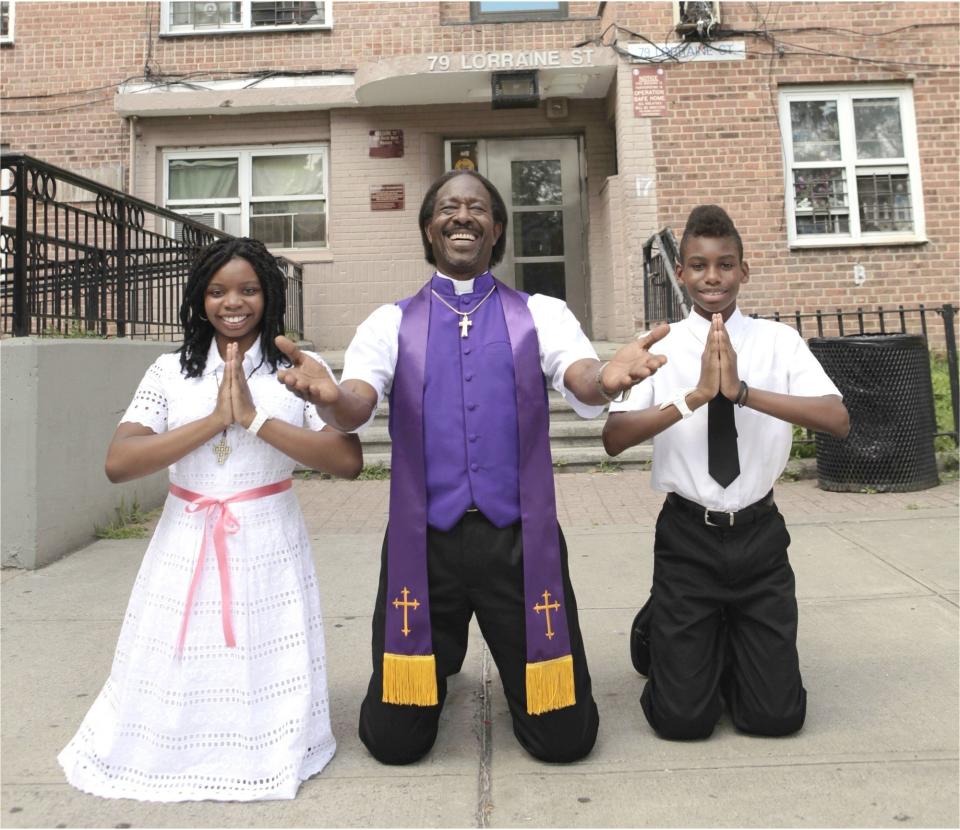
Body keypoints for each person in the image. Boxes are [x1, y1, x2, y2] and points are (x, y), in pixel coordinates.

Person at [274, 170, 668, 764]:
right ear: (429, 229)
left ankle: (514, 671)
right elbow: (357, 400)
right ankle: (439, 663)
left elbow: (580, 377)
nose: (463, 216)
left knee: (565, 742)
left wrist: (607, 378)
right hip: (424, 545)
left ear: (497, 228)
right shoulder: (390, 322)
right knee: (393, 744)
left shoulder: (541, 313)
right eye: (449, 208)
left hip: (519, 543)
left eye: (477, 208)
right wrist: (329, 398)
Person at [58, 237, 362, 801]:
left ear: (268, 297)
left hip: (269, 532)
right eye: (218, 291)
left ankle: (263, 745)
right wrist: (217, 417)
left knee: (262, 647)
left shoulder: (296, 369)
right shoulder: (169, 370)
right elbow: (118, 463)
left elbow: (346, 461)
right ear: (199, 299)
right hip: (187, 536)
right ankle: (184, 745)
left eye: (249, 289)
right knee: (183, 649)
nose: (233, 303)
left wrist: (253, 418)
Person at [603, 205, 849, 741]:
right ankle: (659, 632)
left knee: (775, 719)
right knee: (682, 722)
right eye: (698, 265)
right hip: (688, 537)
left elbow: (837, 419)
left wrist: (741, 392)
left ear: (743, 270)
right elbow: (614, 439)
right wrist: (693, 398)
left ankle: (727, 644)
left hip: (758, 537)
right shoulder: (661, 345)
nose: (712, 277)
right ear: (683, 273)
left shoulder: (777, 341)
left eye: (724, 264)